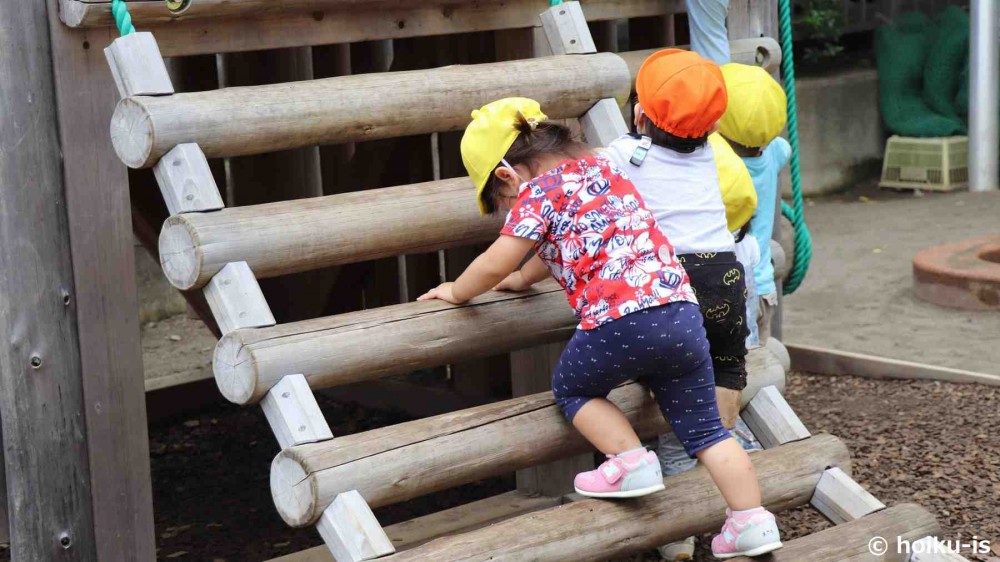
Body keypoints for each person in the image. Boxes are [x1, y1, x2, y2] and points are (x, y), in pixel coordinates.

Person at [418, 96, 783, 559]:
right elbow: (561, 249)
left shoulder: (536, 192)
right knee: (708, 432)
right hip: (682, 314)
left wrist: (458, 291)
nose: (508, 210)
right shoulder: (606, 171)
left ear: (507, 175)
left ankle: (630, 460)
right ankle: (751, 521)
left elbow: (495, 262)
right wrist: (522, 279)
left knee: (573, 388)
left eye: (501, 202)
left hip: (620, 321)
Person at [604, 49, 763, 562]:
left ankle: (674, 530)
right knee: (723, 385)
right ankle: (731, 498)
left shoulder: (626, 154)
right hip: (726, 273)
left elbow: (582, 187)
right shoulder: (708, 154)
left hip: (675, 280)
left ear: (639, 115)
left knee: (667, 386)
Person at [717, 63, 791, 342]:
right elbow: (784, 146)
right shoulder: (774, 153)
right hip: (764, 284)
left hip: (736, 286)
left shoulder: (720, 162)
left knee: (739, 368)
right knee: (763, 366)